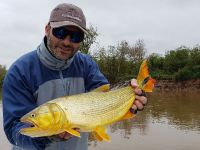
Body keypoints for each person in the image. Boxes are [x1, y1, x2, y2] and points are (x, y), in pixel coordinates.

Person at [2, 3, 147, 150]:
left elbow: (106, 99)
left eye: (76, 36)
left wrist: (130, 95)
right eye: (60, 32)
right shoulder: (19, 72)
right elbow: (14, 131)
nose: (66, 42)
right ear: (47, 29)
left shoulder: (87, 64)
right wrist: (48, 136)